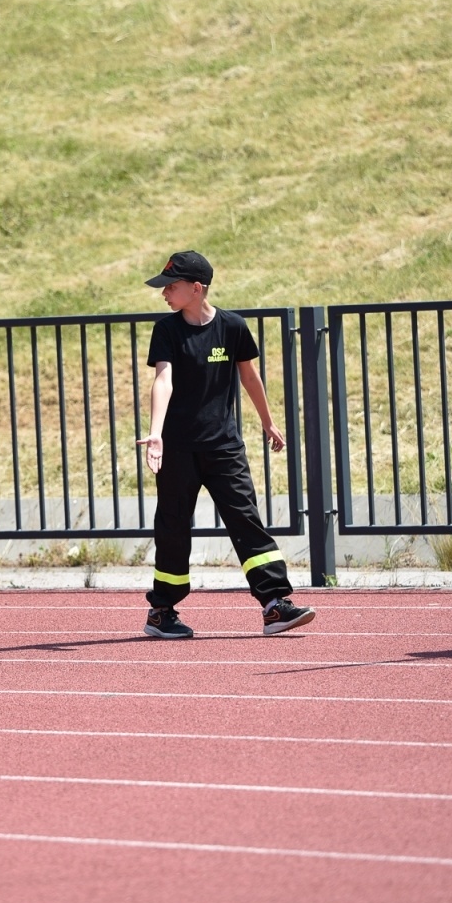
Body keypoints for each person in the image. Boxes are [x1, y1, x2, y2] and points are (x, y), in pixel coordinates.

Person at [136, 251, 313, 639]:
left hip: (224, 447)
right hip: (178, 449)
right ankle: (162, 612)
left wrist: (268, 421)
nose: (165, 292)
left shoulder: (232, 327)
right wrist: (156, 433)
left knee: (245, 519)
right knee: (173, 527)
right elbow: (162, 380)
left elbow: (249, 377)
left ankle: (274, 606)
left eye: (172, 286)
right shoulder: (166, 330)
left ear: (196, 289)